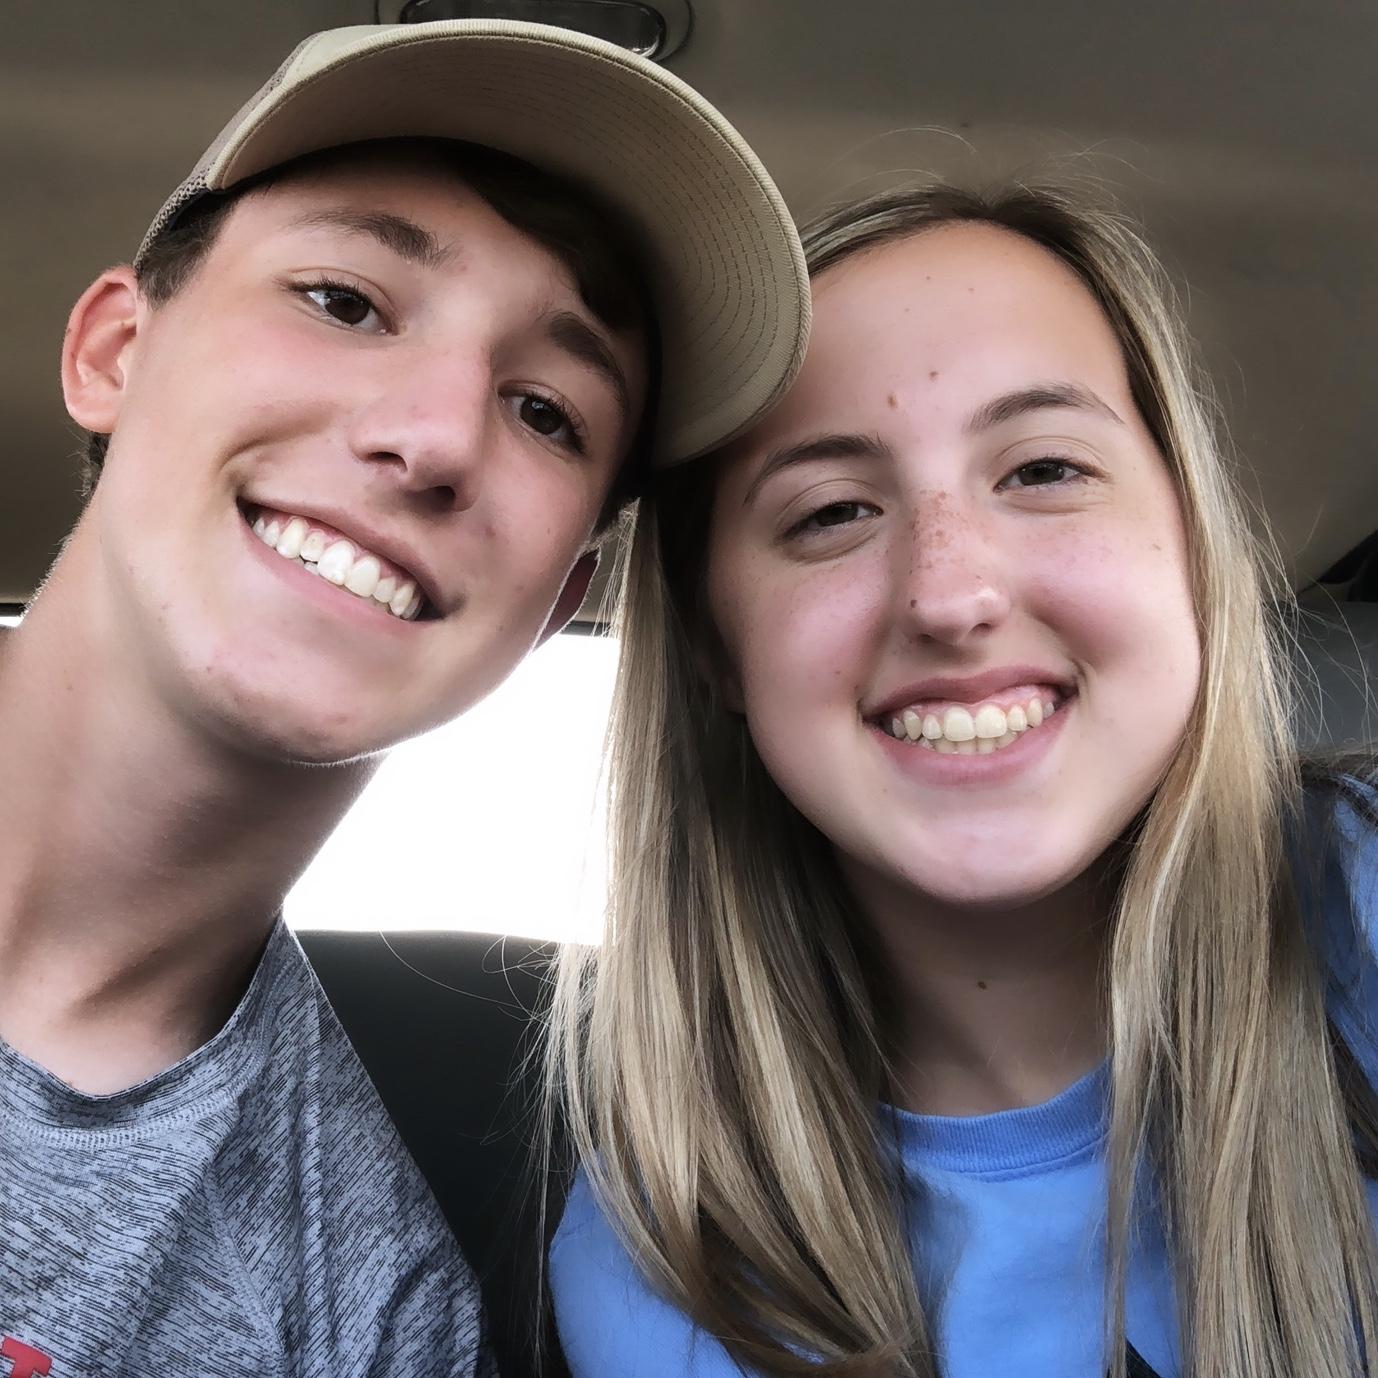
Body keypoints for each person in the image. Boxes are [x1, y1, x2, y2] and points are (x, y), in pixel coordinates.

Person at [0, 19, 807, 1377]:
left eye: (546, 411)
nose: (434, 437)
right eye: (343, 302)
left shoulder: (378, 1309)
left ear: (555, 604)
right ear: (114, 351)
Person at [547, 180, 1378, 1378]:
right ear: (714, 648)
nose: (949, 593)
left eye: (1041, 470)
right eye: (830, 512)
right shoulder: (672, 1256)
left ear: (1194, 549)